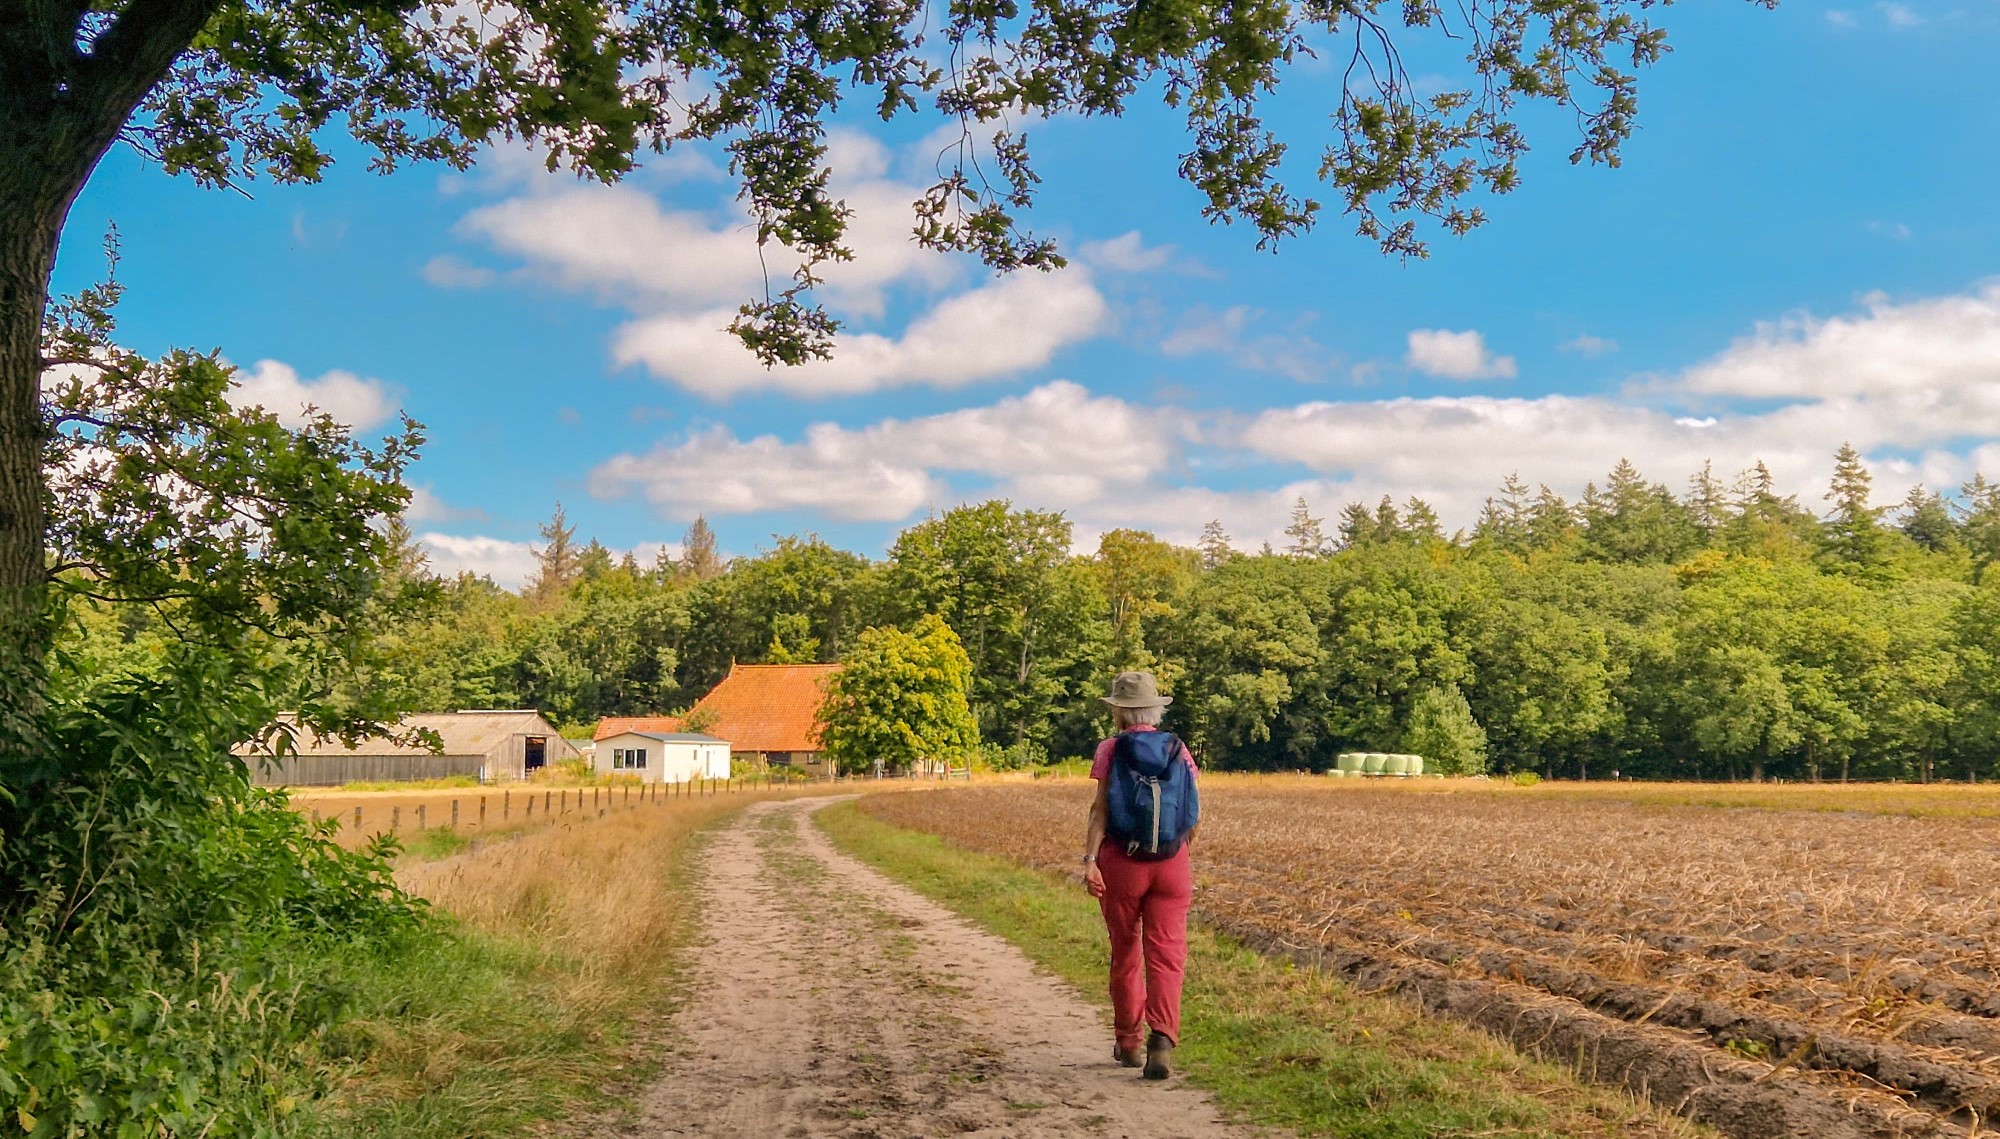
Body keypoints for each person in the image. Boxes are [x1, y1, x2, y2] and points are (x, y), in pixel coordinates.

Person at [1081, 670, 1199, 1080]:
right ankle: (1162, 1041)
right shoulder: (1179, 750)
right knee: (1168, 956)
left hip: (1122, 863)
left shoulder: (1110, 749)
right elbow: (1191, 811)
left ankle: (1129, 1042)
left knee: (1126, 952)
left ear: (1118, 712)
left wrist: (1090, 860)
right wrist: (1178, 854)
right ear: (1155, 710)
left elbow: (1100, 810)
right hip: (1172, 863)